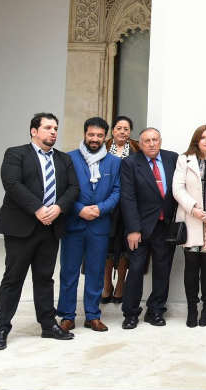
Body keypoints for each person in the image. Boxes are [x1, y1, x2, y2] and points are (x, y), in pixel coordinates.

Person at [0, 113, 79, 351]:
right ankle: (2, 328)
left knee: (44, 279)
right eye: (48, 127)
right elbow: (12, 184)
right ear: (33, 131)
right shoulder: (15, 153)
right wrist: (38, 209)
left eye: (56, 128)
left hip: (51, 227)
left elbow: (73, 188)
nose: (53, 132)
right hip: (22, 227)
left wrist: (58, 208)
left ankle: (48, 325)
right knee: (13, 278)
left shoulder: (63, 159)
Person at [58, 117, 121, 333]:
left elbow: (117, 191)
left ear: (106, 136)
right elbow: (62, 190)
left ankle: (93, 315)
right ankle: (67, 315)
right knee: (69, 271)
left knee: (95, 271)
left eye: (99, 135)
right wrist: (79, 209)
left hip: (99, 225)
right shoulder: (69, 159)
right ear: (85, 134)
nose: (95, 139)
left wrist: (101, 208)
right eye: (91, 134)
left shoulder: (115, 162)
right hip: (73, 224)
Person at [119, 127, 178, 330]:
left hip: (165, 226)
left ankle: (156, 311)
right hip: (140, 228)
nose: (152, 144)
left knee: (163, 270)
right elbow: (127, 198)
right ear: (140, 144)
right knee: (135, 270)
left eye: (155, 140)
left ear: (160, 141)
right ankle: (131, 313)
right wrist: (133, 229)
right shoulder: (130, 163)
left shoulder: (173, 158)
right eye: (147, 141)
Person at [172, 125, 206, 327]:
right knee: (191, 270)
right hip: (192, 219)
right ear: (196, 140)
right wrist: (193, 208)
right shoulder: (183, 159)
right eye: (202, 137)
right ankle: (191, 310)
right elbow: (177, 188)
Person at [102, 115, 138, 305]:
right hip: (107, 205)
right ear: (112, 131)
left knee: (125, 247)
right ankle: (106, 284)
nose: (122, 132)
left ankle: (121, 286)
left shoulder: (137, 149)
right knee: (107, 246)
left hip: (128, 205)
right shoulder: (103, 148)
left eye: (126, 129)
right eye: (118, 128)